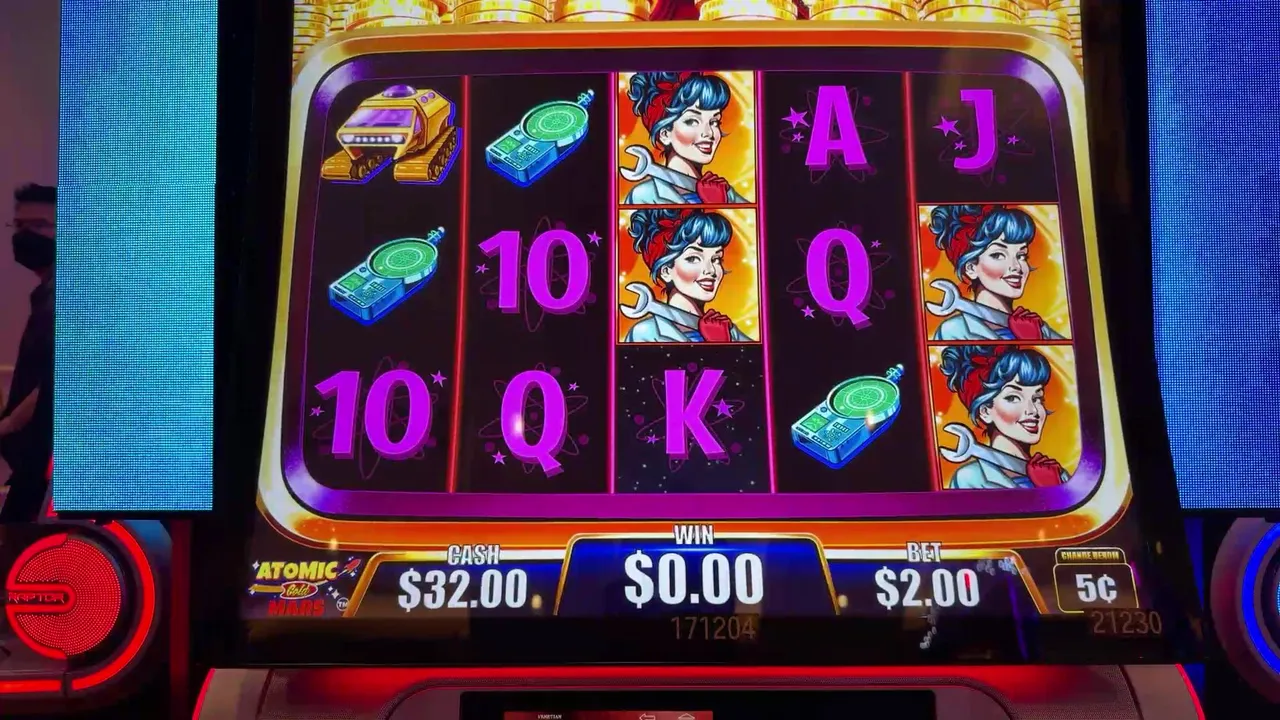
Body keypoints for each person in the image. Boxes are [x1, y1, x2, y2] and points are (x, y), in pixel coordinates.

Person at [938, 345, 1068, 490]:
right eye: (1013, 398)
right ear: (985, 411)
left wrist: (1053, 487)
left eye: (1037, 398)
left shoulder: (1057, 475)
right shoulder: (970, 479)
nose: (1033, 410)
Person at [0, 183, 56, 522]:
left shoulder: (69, 298)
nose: (25, 235)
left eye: (38, 225)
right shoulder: (46, 295)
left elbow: (57, 380)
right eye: (19, 225)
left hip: (45, 467)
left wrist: (8, 425)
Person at [929, 204, 1065, 341]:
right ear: (971, 268)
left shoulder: (1039, 328)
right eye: (998, 255)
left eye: (1021, 256)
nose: (1016, 266)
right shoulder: (954, 331)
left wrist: (1035, 338)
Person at [624, 208, 751, 343]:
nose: (711, 270)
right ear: (666, 271)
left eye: (716, 259)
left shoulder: (728, 331)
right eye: (693, 258)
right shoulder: (645, 334)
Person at [623, 71, 749, 205]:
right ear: (665, 134)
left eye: (714, 122)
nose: (709, 133)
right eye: (692, 121)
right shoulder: (643, 196)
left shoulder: (725, 193)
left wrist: (720, 203)